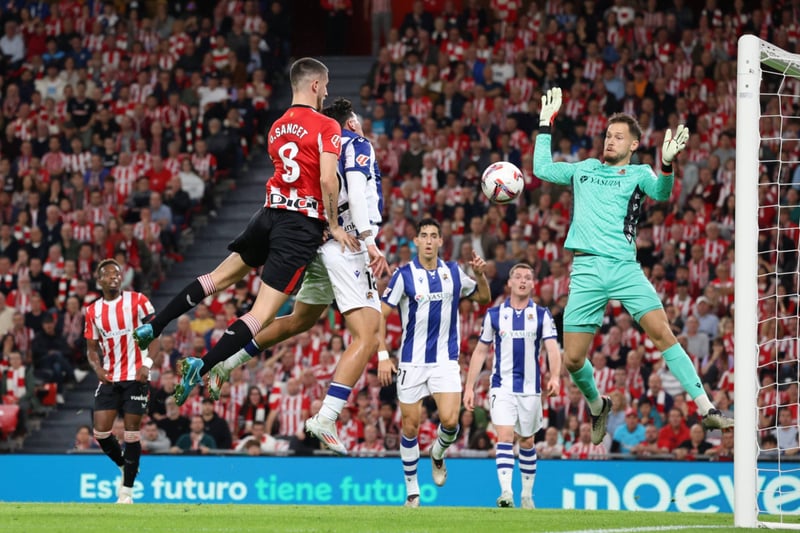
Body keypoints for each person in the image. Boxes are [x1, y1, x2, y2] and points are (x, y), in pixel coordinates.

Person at [132, 57, 358, 405]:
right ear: (315, 85)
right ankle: (202, 365)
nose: (327, 92)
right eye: (325, 85)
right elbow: (328, 179)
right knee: (261, 315)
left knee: (216, 278)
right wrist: (333, 225)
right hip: (298, 227)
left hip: (267, 214)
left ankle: (155, 324)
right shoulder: (327, 125)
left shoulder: (276, 127)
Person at [533, 87, 733, 446]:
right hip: (586, 270)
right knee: (573, 360)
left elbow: (662, 192)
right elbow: (541, 169)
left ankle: (707, 408)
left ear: (634, 145)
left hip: (624, 268)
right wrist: (545, 125)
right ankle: (598, 405)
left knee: (663, 333)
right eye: (608, 135)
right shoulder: (584, 169)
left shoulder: (639, 173)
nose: (610, 141)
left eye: (618, 137)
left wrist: (667, 165)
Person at [205, 97, 388, 455]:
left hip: (318, 241)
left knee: (300, 320)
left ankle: (228, 362)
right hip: (348, 244)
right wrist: (369, 242)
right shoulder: (357, 144)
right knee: (367, 336)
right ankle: (326, 417)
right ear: (350, 123)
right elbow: (354, 191)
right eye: (357, 120)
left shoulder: (319, 146)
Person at [377, 218, 490, 507]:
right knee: (410, 427)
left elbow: (483, 297)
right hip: (411, 362)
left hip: (444, 361)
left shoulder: (453, 272)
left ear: (441, 241)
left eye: (434, 236)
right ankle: (412, 492)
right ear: (415, 241)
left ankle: (437, 453)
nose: (428, 240)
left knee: (451, 422)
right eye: (424, 235)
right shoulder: (403, 275)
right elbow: (380, 315)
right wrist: (383, 355)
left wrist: (480, 275)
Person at [463, 262, 561, 509]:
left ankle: (527, 495)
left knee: (527, 442)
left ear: (533, 284)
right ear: (509, 283)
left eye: (528, 277)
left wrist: (555, 376)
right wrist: (469, 386)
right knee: (505, 436)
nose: (523, 281)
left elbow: (552, 348)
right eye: (518, 277)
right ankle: (506, 492)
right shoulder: (495, 315)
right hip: (501, 386)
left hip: (530, 389)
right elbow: (480, 351)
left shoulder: (542, 315)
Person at [84, 259, 158, 504]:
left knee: (131, 432)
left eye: (117, 274)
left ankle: (126, 493)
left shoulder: (138, 301)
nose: (114, 277)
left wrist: (147, 364)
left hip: (136, 376)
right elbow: (91, 348)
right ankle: (125, 465)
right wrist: (97, 368)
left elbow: (155, 335)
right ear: (99, 280)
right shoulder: (93, 311)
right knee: (101, 432)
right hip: (110, 377)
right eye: (108, 274)